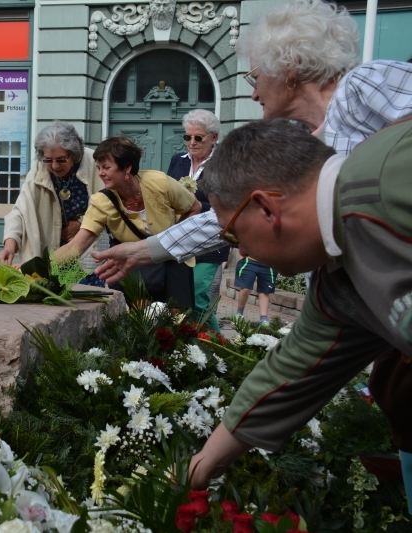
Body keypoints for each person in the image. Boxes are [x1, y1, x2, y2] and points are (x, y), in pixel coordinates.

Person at [91, 0, 412, 285]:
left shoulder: (362, 84)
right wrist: (143, 250)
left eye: (254, 78)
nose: (253, 93)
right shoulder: (294, 143)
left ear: (290, 68)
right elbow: (234, 214)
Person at [188, 118, 412, 515]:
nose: (244, 253)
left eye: (233, 237)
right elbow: (292, 368)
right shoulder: (339, 282)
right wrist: (198, 471)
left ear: (266, 208)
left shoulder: (394, 170)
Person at [55, 136, 200, 306]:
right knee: (136, 324)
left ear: (127, 168)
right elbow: (76, 246)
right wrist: (35, 268)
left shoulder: (159, 182)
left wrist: (174, 239)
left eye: (107, 167)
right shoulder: (101, 202)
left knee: (177, 323)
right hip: (132, 268)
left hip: (172, 262)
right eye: (99, 167)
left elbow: (194, 207)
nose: (101, 173)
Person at [0, 122, 104, 266]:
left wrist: (82, 223)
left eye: (61, 159)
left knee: (86, 287)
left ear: (74, 154)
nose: (54, 166)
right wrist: (10, 246)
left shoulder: (93, 163)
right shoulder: (38, 169)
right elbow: (20, 212)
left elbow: (107, 206)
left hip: (89, 247)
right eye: (48, 160)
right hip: (52, 250)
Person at [166, 109, 228, 330]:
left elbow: (232, 206)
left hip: (210, 241)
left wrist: (200, 206)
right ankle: (189, 348)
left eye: (198, 137)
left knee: (198, 296)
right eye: (187, 137)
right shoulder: (177, 160)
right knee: (181, 300)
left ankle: (218, 347)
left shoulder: (225, 163)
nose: (191, 142)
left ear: (214, 138)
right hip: (179, 240)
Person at [233, 253, 275, 326]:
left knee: (264, 291)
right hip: (249, 260)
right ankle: (239, 312)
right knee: (245, 289)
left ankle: (263, 319)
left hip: (268, 263)